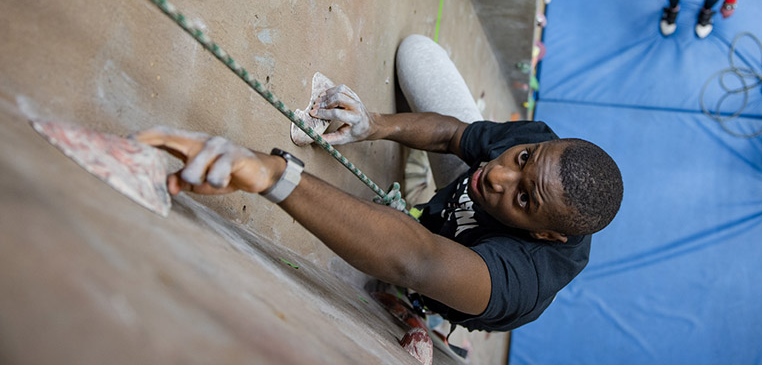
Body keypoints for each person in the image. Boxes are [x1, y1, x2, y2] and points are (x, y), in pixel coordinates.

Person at [136, 86, 623, 332]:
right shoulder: (536, 151)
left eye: (524, 197)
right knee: (417, 55)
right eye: (520, 160)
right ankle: (415, 188)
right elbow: (456, 135)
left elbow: (420, 260)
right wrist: (374, 125)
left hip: (451, 269)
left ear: (546, 235)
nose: (498, 175)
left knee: (413, 262)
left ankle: (424, 306)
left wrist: (273, 175)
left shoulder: (524, 277)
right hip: (443, 211)